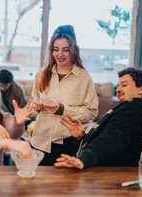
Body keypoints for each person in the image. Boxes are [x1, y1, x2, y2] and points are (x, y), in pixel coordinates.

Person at [55, 67, 142, 169]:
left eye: (124, 85)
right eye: (118, 86)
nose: (118, 89)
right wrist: (81, 137)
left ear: (141, 89)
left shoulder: (134, 108)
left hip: (111, 175)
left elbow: (112, 137)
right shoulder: (129, 107)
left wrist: (84, 159)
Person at [31, 25, 99, 165]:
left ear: (73, 50)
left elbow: (91, 112)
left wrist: (62, 110)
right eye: (55, 49)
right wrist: (36, 106)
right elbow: (34, 105)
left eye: (65, 50)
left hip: (66, 145)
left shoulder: (84, 78)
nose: (59, 54)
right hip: (39, 142)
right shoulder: (41, 74)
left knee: (64, 186)